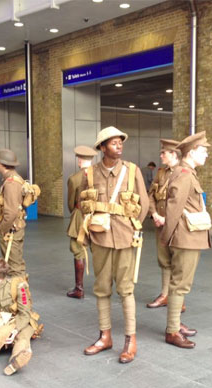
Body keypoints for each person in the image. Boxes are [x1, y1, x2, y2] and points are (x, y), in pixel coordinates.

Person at [79, 126, 149, 364]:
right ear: (102, 147)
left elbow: (145, 204)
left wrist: (132, 227)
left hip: (125, 238)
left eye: (121, 142)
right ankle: (105, 336)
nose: (119, 145)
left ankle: (130, 340)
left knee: (126, 289)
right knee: (101, 288)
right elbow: (83, 204)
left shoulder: (132, 171)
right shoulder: (90, 174)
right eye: (113, 143)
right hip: (100, 238)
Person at [160, 132, 211, 349]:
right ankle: (172, 330)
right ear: (191, 152)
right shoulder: (184, 174)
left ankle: (175, 324)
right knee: (180, 284)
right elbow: (173, 208)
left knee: (180, 283)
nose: (207, 154)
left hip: (187, 236)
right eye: (203, 150)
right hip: (184, 237)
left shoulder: (187, 173)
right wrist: (167, 239)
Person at [146, 139, 184, 308]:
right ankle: (165, 295)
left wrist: (167, 219)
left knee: (178, 261)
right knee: (164, 260)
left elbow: (183, 202)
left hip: (175, 225)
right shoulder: (161, 173)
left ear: (173, 154)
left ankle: (178, 300)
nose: (161, 155)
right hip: (160, 223)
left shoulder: (184, 173)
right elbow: (151, 195)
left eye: (164, 153)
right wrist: (154, 214)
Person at [66, 145, 98, 299]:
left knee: (78, 249)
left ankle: (79, 289)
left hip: (80, 217)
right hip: (99, 217)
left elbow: (71, 203)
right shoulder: (100, 175)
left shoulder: (74, 178)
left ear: (79, 160)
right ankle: (103, 287)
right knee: (99, 251)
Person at [0, 149, 27, 278]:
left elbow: (11, 212)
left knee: (14, 267)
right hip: (13, 227)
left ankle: (21, 296)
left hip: (11, 230)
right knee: (14, 263)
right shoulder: (13, 179)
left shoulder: (11, 182)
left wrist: (2, 229)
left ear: (2, 164)